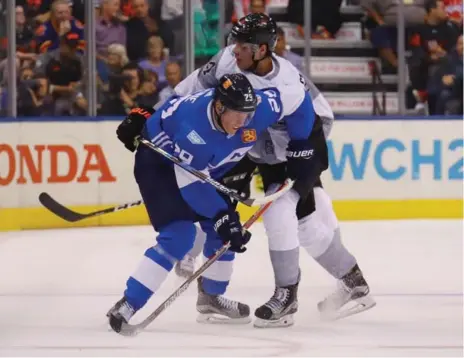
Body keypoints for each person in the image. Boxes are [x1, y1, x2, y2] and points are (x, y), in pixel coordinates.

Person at [172, 13, 375, 327]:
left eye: (242, 46)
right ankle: (353, 282)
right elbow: (189, 90)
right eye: (234, 44)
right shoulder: (230, 59)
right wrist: (156, 119)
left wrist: (295, 159)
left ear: (263, 50)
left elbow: (314, 122)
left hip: (301, 143)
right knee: (229, 204)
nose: (233, 50)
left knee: (282, 211)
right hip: (256, 144)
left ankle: (287, 296)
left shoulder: (287, 84)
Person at [107, 73, 316, 333]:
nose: (243, 122)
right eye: (237, 114)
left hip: (207, 166)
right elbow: (193, 185)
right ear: (219, 107)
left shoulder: (258, 108)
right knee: (179, 236)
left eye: (248, 114)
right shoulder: (193, 131)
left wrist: (301, 142)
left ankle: (211, 298)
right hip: (160, 165)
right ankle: (128, 303)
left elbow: (299, 97)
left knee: (224, 232)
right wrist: (220, 214)